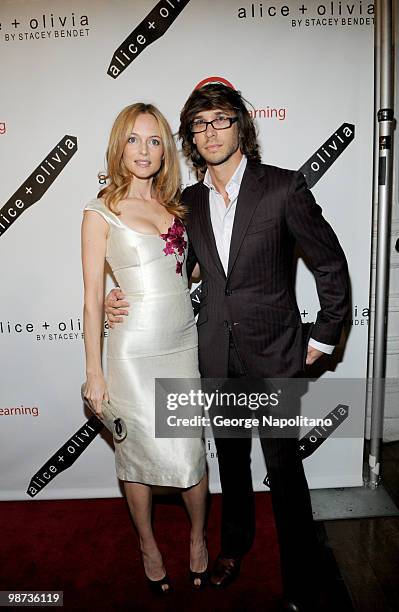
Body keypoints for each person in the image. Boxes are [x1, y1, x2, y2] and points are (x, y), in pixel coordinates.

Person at [106, 85, 349, 611]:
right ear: (190, 137)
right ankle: (234, 548)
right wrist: (115, 298)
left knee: (285, 469)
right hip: (213, 352)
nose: (211, 132)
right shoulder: (185, 203)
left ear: (241, 126)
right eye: (199, 124)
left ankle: (301, 576)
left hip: (274, 352)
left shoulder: (283, 188)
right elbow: (165, 268)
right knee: (233, 462)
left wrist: (326, 333)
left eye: (220, 120)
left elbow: (329, 262)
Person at [81, 102, 208, 595]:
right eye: (134, 139)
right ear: (119, 145)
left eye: (154, 141)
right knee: (135, 458)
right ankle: (148, 544)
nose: (144, 149)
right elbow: (93, 297)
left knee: (190, 455)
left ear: (165, 152)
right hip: (132, 354)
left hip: (182, 344)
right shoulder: (99, 211)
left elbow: (189, 271)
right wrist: (94, 372)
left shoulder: (177, 208)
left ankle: (198, 539)